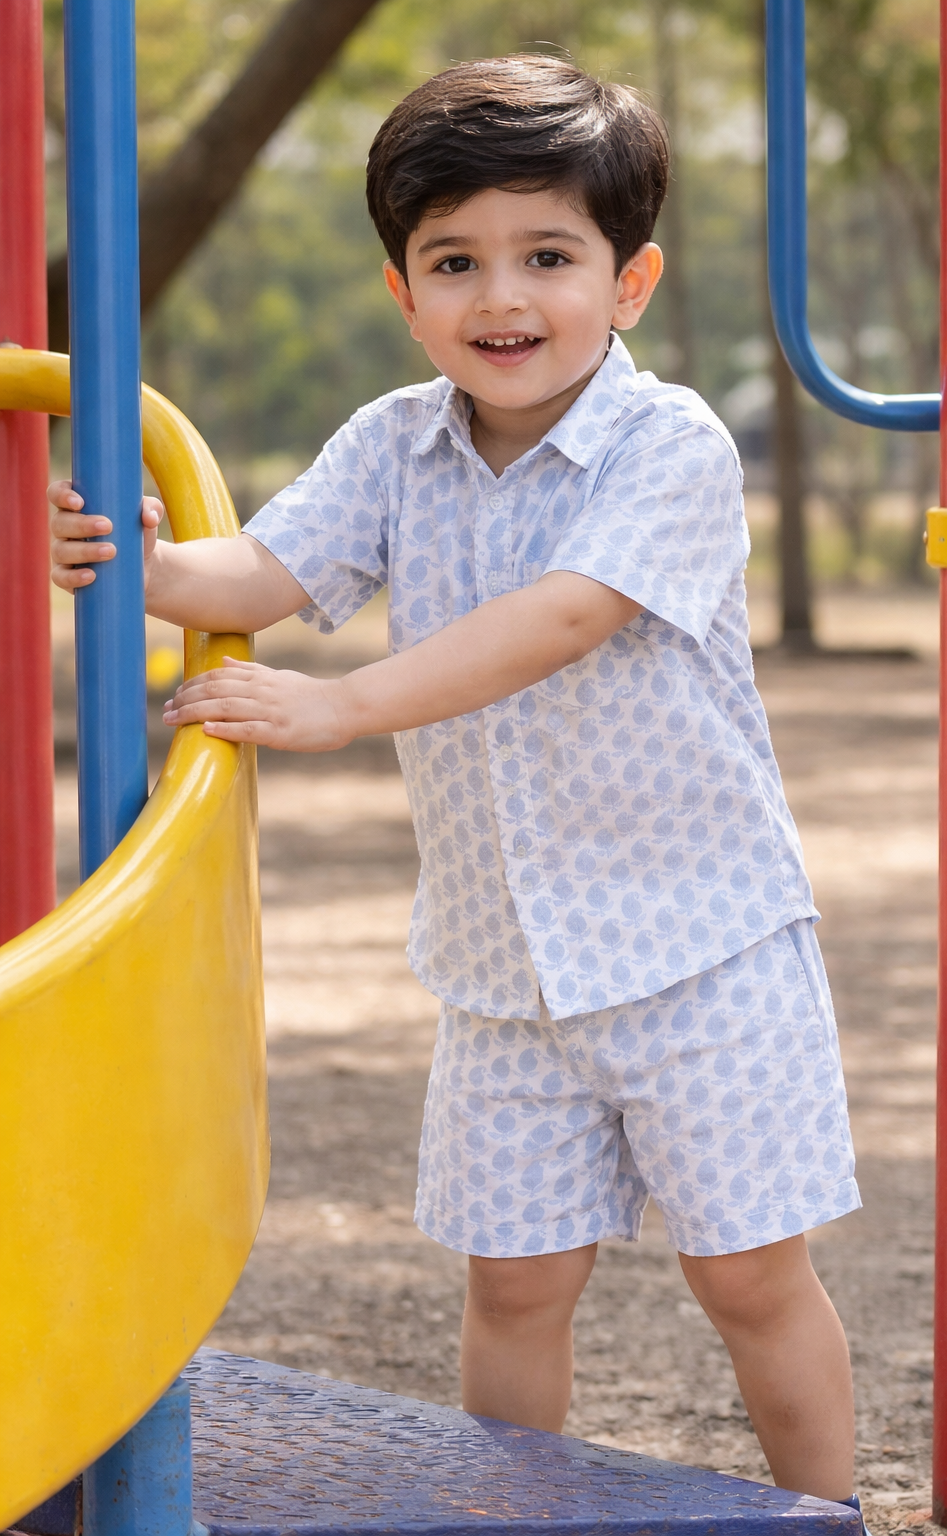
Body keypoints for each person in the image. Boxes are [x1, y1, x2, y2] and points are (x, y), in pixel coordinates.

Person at [50, 54, 865, 1514]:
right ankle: (521, 1512)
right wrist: (139, 562)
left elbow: (564, 614)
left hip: (703, 947)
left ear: (629, 281)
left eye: (548, 257)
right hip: (506, 974)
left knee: (748, 1274)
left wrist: (346, 703)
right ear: (403, 293)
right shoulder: (391, 444)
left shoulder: (665, 446)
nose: (503, 298)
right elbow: (271, 571)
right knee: (515, 1283)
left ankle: (828, 1508)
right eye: (455, 262)